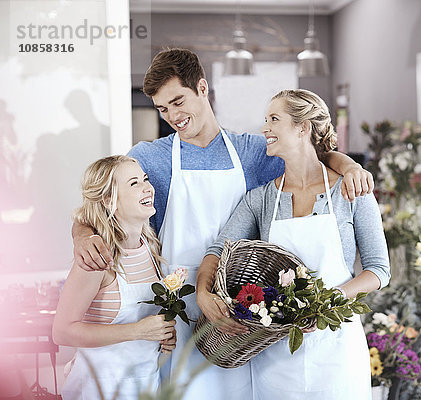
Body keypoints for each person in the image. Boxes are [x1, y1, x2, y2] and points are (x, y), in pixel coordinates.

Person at [70, 49, 373, 400]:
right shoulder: (149, 156)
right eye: (163, 109)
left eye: (178, 101)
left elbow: (313, 153)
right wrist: (82, 235)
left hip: (239, 312)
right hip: (177, 308)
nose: (173, 116)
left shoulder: (252, 152)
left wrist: (349, 167)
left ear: (202, 88)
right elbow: (96, 205)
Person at [197, 89, 391, 399]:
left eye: (274, 119)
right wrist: (203, 293)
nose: (265, 129)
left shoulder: (350, 190)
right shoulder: (260, 199)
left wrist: (327, 301)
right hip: (277, 357)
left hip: (337, 349)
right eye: (265, 120)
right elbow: (218, 249)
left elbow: (379, 270)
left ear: (303, 128)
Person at [53, 155, 176, 399]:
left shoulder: (151, 249)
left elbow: (147, 325)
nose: (147, 188)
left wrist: (161, 335)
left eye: (145, 179)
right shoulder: (96, 259)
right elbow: (62, 332)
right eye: (133, 184)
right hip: (99, 388)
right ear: (109, 200)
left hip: (145, 385)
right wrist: (137, 331)